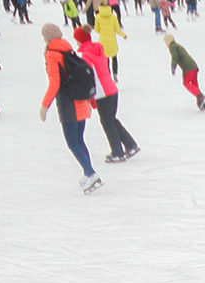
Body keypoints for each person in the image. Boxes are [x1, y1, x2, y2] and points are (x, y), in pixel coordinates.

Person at [39, 23, 101, 193]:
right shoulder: (68, 50)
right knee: (79, 140)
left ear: (46, 38)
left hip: (68, 103)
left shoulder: (52, 54)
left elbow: (55, 83)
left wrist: (45, 106)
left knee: (72, 142)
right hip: (81, 100)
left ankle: (90, 172)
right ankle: (88, 172)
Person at [75, 26, 138, 161]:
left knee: (107, 122)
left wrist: (89, 96)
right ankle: (130, 144)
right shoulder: (98, 49)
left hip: (102, 92)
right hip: (111, 89)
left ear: (80, 40)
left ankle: (117, 152)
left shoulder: (86, 55)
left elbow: (89, 77)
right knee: (111, 119)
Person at [163, 33, 205, 110]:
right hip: (194, 66)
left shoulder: (173, 47)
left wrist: (173, 66)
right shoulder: (177, 45)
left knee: (186, 83)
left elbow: (174, 57)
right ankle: (201, 102)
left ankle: (200, 96)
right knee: (194, 85)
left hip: (188, 68)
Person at [94, 1, 123, 75]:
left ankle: (108, 73)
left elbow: (97, 30)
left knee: (105, 59)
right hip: (112, 39)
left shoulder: (98, 17)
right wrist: (124, 35)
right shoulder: (113, 17)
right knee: (114, 57)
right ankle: (115, 73)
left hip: (103, 40)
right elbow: (117, 29)